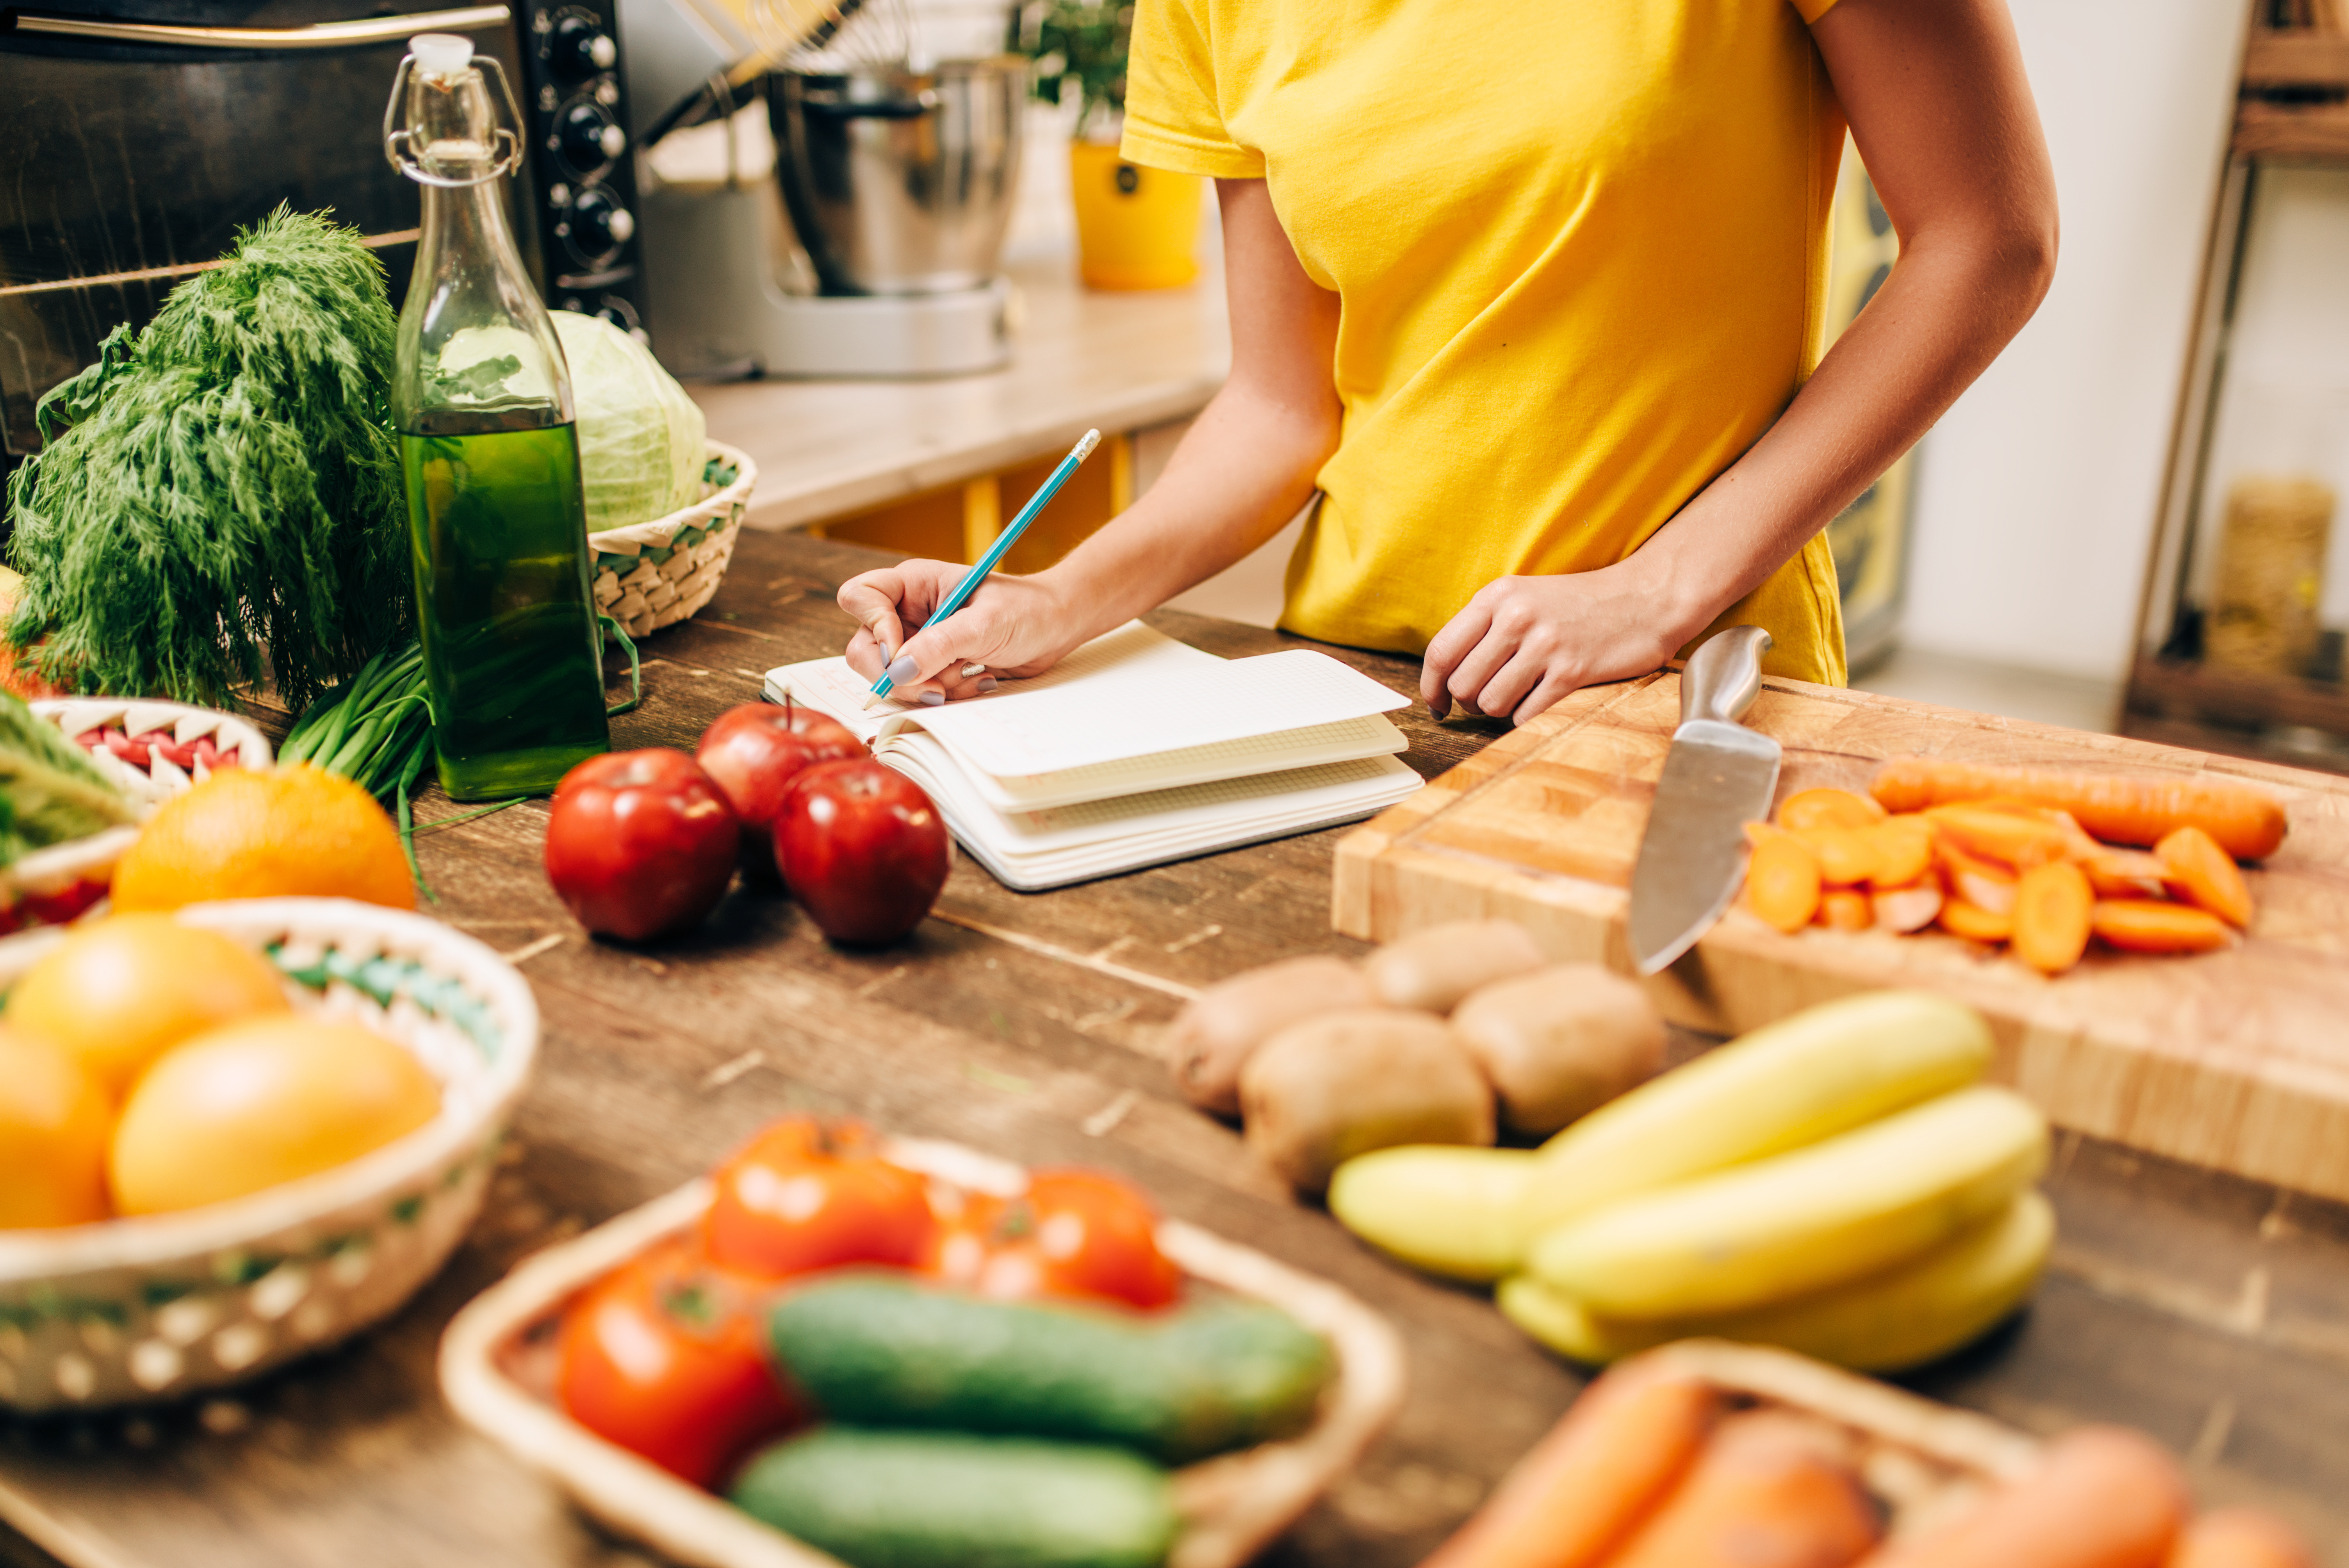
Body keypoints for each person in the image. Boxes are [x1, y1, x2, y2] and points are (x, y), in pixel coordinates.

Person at [838, 0, 2057, 726]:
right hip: (1362, 699)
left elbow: (1988, 239)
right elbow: (1280, 404)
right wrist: (1057, 599)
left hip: (1688, 686)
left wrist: (1657, 590)